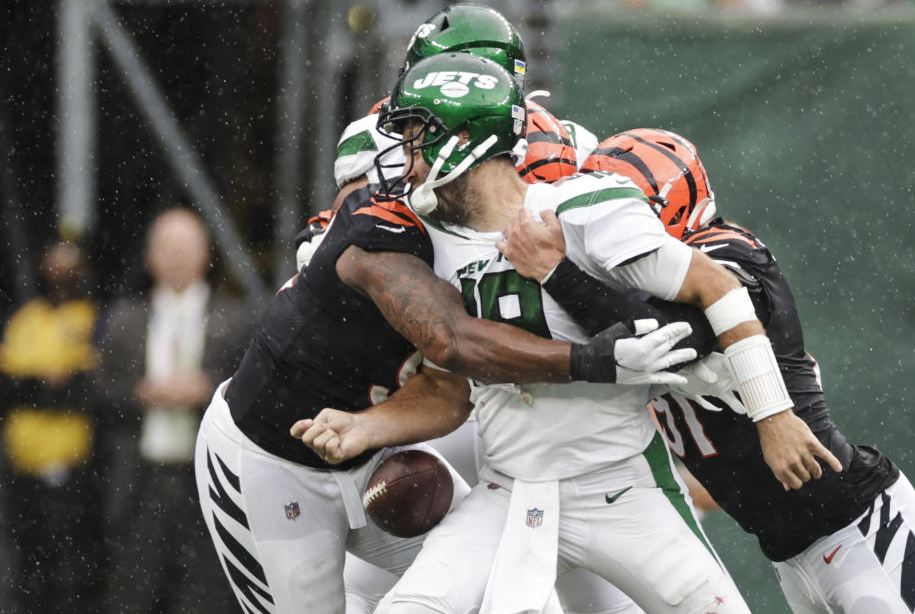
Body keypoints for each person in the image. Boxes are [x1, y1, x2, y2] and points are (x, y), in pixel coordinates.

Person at [302, 51, 843, 613]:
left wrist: (774, 413)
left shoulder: (583, 207)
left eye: (417, 137)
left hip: (623, 489)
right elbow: (448, 389)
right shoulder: (423, 237)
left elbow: (717, 288)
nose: (405, 159)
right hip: (507, 490)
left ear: (463, 139)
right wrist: (366, 427)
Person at [194, 63, 698, 614]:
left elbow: (449, 390)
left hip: (375, 442)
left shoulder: (495, 230)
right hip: (273, 457)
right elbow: (453, 342)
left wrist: (367, 428)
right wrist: (596, 361)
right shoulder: (378, 229)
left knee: (503, 591)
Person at [503, 126, 915, 613]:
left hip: (852, 522)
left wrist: (557, 272)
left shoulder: (727, 253)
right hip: (789, 549)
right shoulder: (635, 291)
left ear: (661, 205)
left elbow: (666, 341)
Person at [92, 208, 253, 614]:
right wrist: (139, 393)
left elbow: (258, 393)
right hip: (138, 479)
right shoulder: (123, 321)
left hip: (209, 485)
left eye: (186, 248)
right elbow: (95, 390)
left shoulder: (237, 320)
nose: (177, 257)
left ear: (206, 254)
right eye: (167, 248)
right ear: (149, 257)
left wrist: (208, 388)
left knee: (207, 596)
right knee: (131, 591)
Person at [0, 240, 104, 614]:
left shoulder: (93, 318)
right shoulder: (25, 318)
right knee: (28, 565)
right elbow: (10, 386)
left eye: (71, 264)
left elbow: (85, 389)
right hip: (23, 467)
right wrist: (44, 385)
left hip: (73, 467)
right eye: (54, 263)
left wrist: (36, 386)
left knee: (73, 567)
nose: (61, 273)